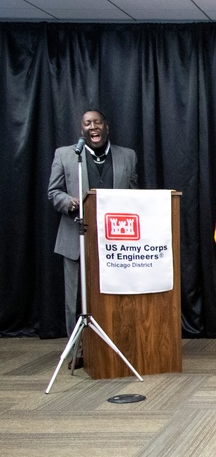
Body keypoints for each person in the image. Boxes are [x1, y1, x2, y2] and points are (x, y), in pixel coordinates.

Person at [48, 110, 139, 340]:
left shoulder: (127, 156)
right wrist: (69, 202)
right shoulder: (65, 155)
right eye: (87, 123)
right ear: (82, 130)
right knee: (76, 298)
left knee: (114, 295)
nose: (93, 126)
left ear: (106, 127)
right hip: (74, 237)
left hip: (115, 240)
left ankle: (115, 344)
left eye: (97, 122)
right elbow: (54, 192)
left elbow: (133, 192)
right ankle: (78, 347)